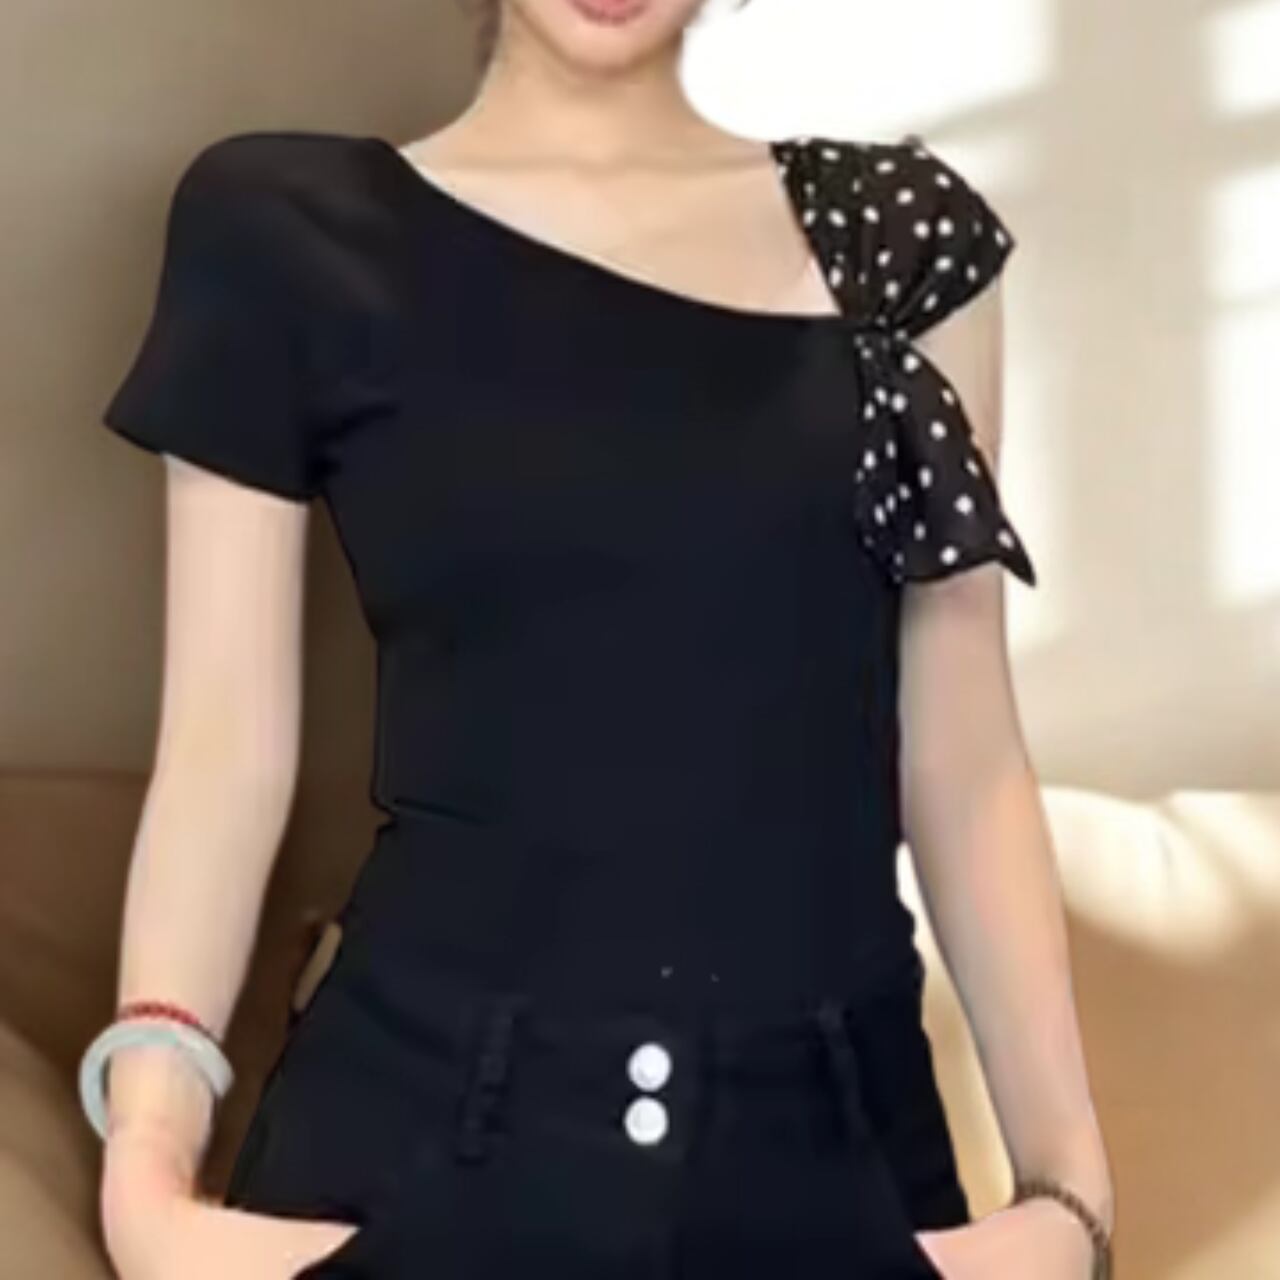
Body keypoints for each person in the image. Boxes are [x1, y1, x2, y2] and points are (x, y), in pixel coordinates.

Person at [87, 0, 1116, 1276]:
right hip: (418, 1127)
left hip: (828, 1138)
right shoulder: (286, 229)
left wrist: (1068, 1192)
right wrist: (147, 1159)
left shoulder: (894, 238)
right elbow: (223, 748)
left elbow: (959, 755)